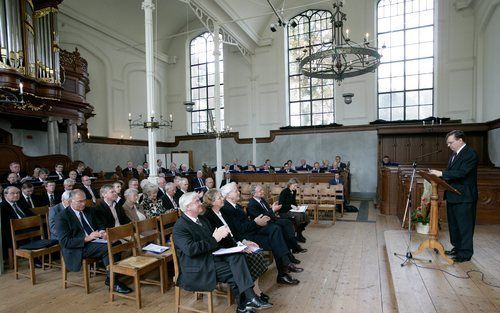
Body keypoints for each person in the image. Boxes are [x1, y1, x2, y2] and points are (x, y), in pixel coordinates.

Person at [173, 192, 271, 313]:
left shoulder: (202, 219)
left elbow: (214, 242)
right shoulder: (180, 226)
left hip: (210, 258)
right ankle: (245, 303)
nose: (200, 203)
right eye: (197, 201)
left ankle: (248, 301)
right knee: (237, 271)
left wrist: (234, 241)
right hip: (197, 266)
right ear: (188, 207)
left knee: (238, 256)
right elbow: (191, 250)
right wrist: (216, 238)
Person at [220, 183, 302, 285]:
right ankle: (284, 270)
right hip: (244, 238)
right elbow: (239, 229)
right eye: (236, 191)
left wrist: (255, 222)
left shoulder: (236, 206)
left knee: (276, 233)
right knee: (275, 234)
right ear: (228, 195)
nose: (238, 192)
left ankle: (284, 270)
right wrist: (256, 222)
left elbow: (245, 224)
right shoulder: (226, 209)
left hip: (250, 232)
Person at [55, 189, 132, 294]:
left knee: (116, 242)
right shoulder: (62, 217)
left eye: (84, 200)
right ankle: (113, 281)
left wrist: (102, 232)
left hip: (95, 241)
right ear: (70, 201)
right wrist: (87, 238)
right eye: (80, 201)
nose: (83, 204)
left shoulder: (89, 210)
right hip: (78, 247)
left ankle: (111, 277)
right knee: (108, 248)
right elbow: (65, 242)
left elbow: (100, 224)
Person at [202, 189, 271, 304]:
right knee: (251, 257)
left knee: (256, 252)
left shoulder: (223, 212)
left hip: (234, 243)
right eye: (219, 198)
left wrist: (243, 241)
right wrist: (240, 247)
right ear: (212, 202)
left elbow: (234, 231)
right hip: (224, 248)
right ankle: (250, 295)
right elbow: (219, 240)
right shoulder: (208, 217)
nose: (222, 199)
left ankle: (256, 291)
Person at [429, 130, 478, 263]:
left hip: (464, 196)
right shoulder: (454, 154)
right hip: (452, 195)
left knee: (464, 226)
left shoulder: (470, 154)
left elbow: (462, 173)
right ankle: (457, 248)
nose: (449, 145)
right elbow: (452, 173)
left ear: (460, 140)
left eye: (451, 142)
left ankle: (465, 253)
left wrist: (441, 174)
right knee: (454, 225)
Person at [247, 184, 306, 254]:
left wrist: (273, 207)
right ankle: (293, 247)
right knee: (283, 227)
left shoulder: (262, 199)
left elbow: (268, 211)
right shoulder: (252, 204)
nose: (263, 192)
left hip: (271, 219)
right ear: (254, 193)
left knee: (288, 222)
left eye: (262, 190)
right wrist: (273, 210)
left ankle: (294, 246)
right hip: (262, 225)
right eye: (260, 191)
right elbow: (261, 218)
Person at [1, 186, 34, 259]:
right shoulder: (2, 207)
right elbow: (5, 225)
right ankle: (34, 258)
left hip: (27, 227)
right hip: (12, 233)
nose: (16, 195)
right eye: (12, 193)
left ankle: (43, 255)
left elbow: (32, 216)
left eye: (18, 193)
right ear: (5, 195)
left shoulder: (21, 203)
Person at [278, 178, 310, 243]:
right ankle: (297, 235)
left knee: (305, 215)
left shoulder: (294, 191)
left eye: (296, 186)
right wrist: (290, 205)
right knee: (299, 216)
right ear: (290, 184)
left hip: (292, 210)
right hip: (284, 211)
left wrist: (297, 206)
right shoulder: (284, 192)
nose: (296, 187)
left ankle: (299, 233)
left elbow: (293, 201)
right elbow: (281, 205)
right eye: (295, 185)